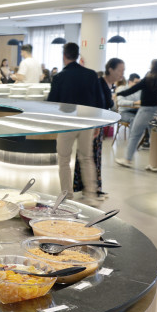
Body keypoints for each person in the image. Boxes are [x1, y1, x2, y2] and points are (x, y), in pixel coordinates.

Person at [47, 42, 104, 206]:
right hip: (86, 122)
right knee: (87, 158)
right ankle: (91, 195)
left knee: (64, 159)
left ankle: (67, 196)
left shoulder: (59, 77)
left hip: (66, 122)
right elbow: (99, 101)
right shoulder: (91, 75)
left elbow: (51, 103)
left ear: (64, 56)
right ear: (78, 55)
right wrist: (97, 124)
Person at [74, 58, 124, 200]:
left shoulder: (108, 85)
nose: (122, 73)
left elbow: (107, 104)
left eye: (123, 71)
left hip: (98, 124)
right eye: (120, 70)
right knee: (90, 156)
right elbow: (96, 105)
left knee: (95, 156)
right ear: (110, 70)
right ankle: (89, 189)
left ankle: (95, 188)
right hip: (93, 124)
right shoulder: (100, 83)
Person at [115, 59, 157, 169]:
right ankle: (154, 164)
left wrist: (118, 93)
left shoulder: (148, 79)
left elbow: (133, 89)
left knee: (135, 134)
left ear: (153, 67)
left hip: (146, 110)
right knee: (154, 137)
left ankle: (127, 159)